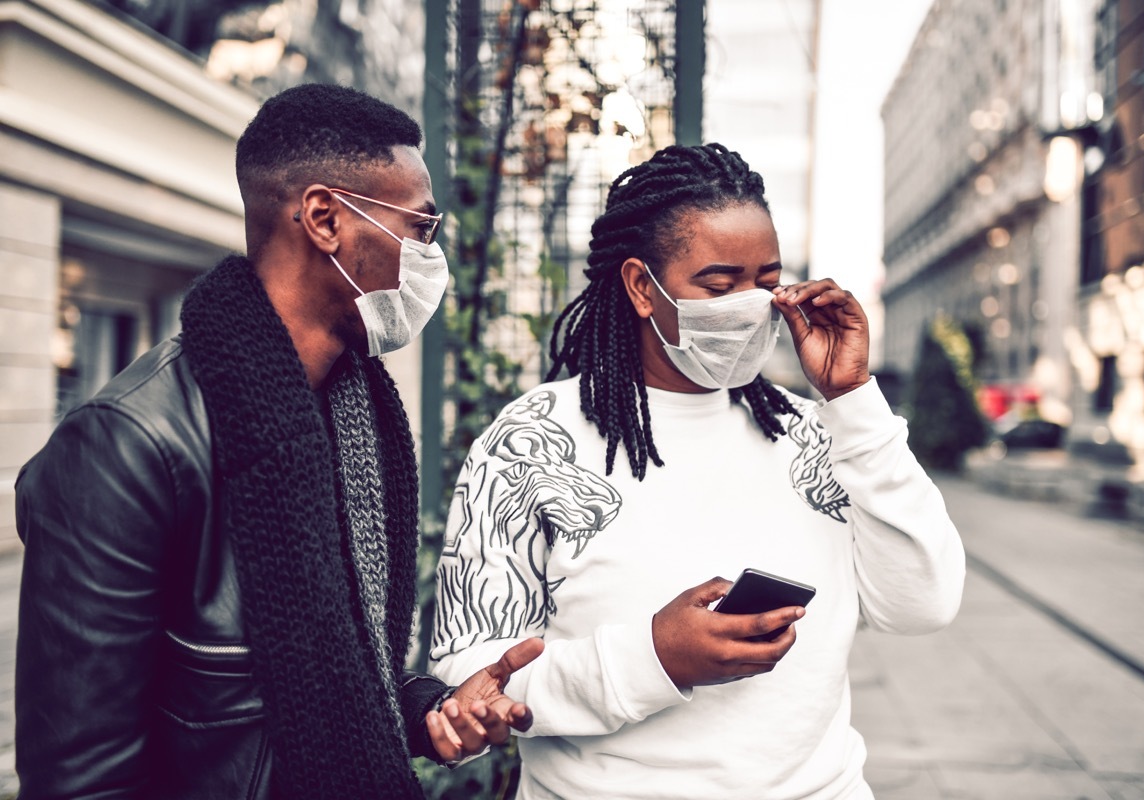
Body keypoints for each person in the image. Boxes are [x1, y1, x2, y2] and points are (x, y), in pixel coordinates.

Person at [15, 83, 542, 799]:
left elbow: (341, 682)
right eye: (420, 229)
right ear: (326, 218)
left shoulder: (356, 419)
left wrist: (426, 711)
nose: (430, 256)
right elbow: (82, 777)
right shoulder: (126, 446)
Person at [428, 143, 965, 799]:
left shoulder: (819, 434)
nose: (751, 304)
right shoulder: (533, 443)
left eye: (768, 282)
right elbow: (471, 672)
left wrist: (853, 400)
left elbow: (922, 603)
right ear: (639, 287)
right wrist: (653, 659)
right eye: (718, 285)